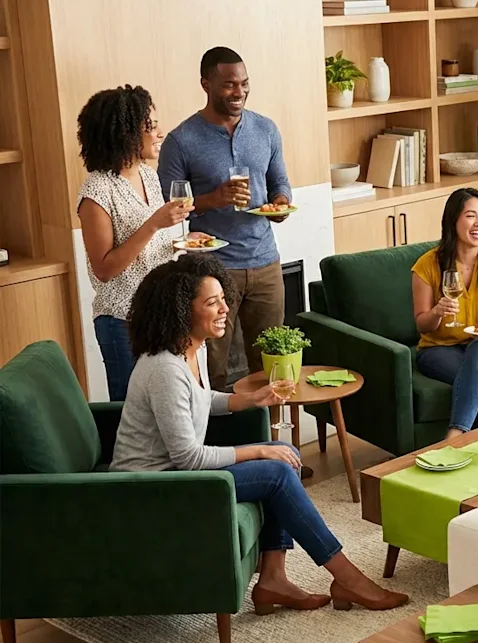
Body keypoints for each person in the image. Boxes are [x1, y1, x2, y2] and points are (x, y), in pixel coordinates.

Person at [110, 253, 408, 612]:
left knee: (286, 455)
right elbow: (187, 457)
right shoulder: (164, 369)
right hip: (154, 488)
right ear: (181, 309)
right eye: (212, 302)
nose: (225, 308)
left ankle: (273, 580)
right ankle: (347, 577)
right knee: (276, 467)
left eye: (223, 298)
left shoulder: (192, 349)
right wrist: (258, 452)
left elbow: (202, 400)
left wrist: (250, 399)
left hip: (175, 475)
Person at [158, 46, 293, 391]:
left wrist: (279, 203)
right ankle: (217, 441)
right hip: (211, 270)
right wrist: (211, 199)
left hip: (266, 264)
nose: (240, 92)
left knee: (272, 361)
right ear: (206, 84)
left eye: (245, 84)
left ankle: (268, 440)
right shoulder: (181, 140)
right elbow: (167, 207)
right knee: (212, 367)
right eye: (230, 85)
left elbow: (279, 183)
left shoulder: (265, 129)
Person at [75, 85, 195, 401]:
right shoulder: (96, 192)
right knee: (130, 412)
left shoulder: (148, 175)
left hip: (161, 314)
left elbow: (152, 246)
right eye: (150, 126)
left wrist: (181, 241)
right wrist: (154, 223)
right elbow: (104, 268)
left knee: (167, 406)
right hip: (121, 322)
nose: (160, 132)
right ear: (127, 132)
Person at [411, 188, 478, 438]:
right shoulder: (428, 264)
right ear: (453, 220)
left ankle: (455, 434)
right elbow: (422, 325)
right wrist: (437, 312)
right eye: (471, 216)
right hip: (438, 349)